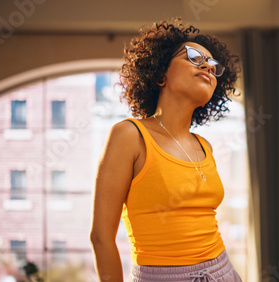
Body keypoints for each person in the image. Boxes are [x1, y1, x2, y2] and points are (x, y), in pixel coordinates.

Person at [90, 18, 242, 282]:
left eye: (213, 65)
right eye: (194, 57)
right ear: (161, 73)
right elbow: (101, 237)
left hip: (224, 272)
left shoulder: (204, 146)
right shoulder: (129, 135)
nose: (207, 65)